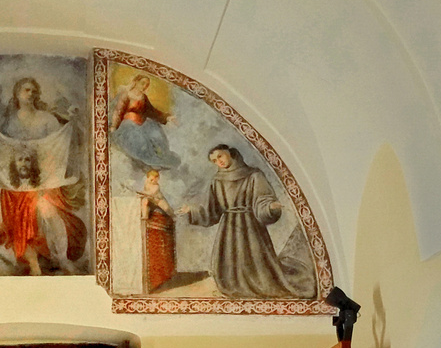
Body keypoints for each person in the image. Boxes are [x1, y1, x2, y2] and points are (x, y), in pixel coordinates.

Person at [178, 144, 315, 299]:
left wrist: (270, 207)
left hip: (250, 226)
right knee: (229, 267)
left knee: (257, 265)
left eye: (220, 156)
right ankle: (234, 285)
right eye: (215, 161)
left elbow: (262, 199)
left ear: (230, 153)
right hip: (228, 228)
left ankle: (259, 284)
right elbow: (212, 210)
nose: (219, 162)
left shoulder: (254, 175)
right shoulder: (217, 181)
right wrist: (192, 210)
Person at [0, 149, 87, 275]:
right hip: (23, 232)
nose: (24, 163)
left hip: (45, 231)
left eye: (27, 160)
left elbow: (54, 207)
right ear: (14, 164)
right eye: (20, 160)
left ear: (32, 164)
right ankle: (34, 265)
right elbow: (9, 217)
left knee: (44, 205)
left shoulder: (42, 184)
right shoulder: (8, 190)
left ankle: (61, 259)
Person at [111, 74, 180, 170]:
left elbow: (152, 111)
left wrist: (167, 117)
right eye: (143, 83)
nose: (144, 86)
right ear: (136, 81)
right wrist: (114, 126)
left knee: (156, 135)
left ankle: (160, 158)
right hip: (129, 124)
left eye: (147, 85)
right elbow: (118, 111)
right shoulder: (126, 94)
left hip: (143, 123)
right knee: (140, 141)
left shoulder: (143, 97)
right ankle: (149, 161)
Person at [138, 169, 177, 293]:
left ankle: (163, 276)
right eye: (152, 178)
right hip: (153, 218)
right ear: (148, 177)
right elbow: (145, 201)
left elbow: (157, 201)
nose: (154, 180)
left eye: (156, 178)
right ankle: (154, 280)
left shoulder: (155, 188)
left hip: (160, 217)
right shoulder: (147, 187)